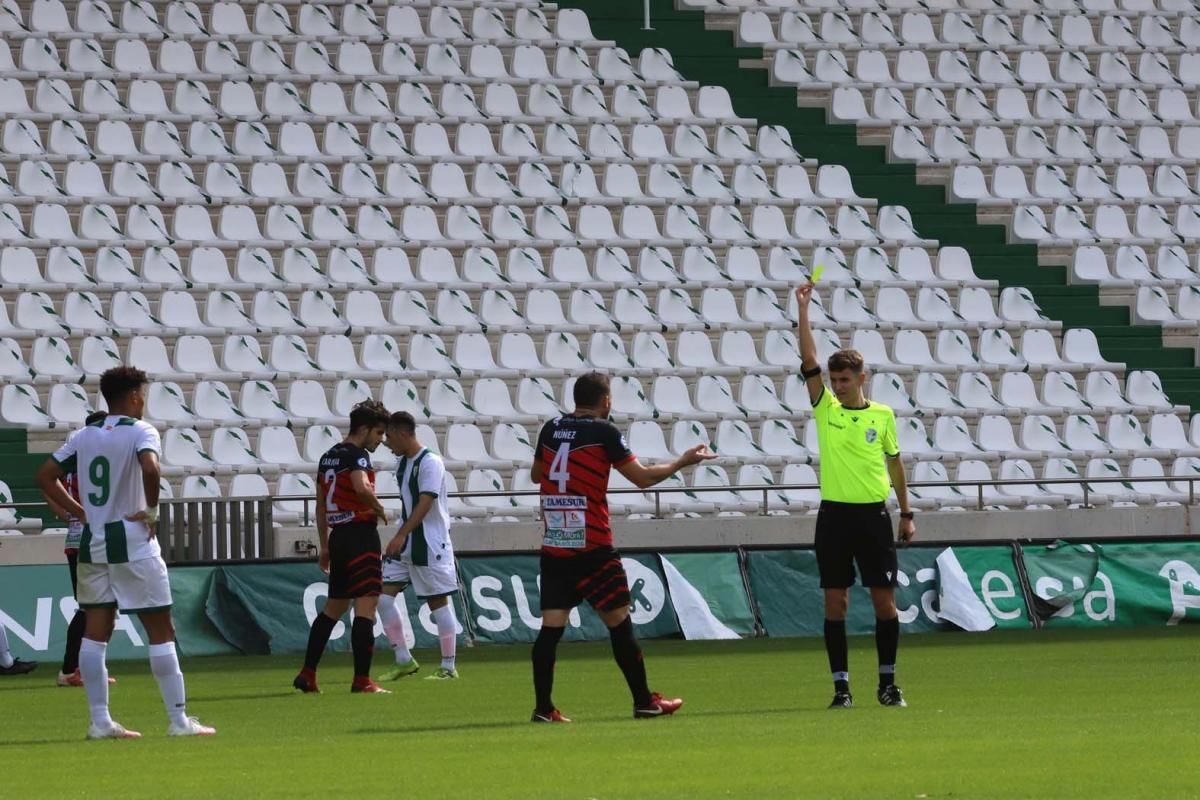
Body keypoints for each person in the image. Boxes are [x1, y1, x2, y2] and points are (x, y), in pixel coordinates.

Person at [35, 367, 215, 738]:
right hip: (132, 540)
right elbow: (151, 466)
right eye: (143, 394)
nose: (144, 400)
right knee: (161, 630)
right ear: (133, 396)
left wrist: (78, 511)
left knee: (95, 631)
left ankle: (100, 721)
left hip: (92, 540)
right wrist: (151, 510)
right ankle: (178, 719)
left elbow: (44, 476)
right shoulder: (141, 431)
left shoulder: (83, 435)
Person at [528, 372, 716, 722]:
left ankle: (543, 708)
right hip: (593, 545)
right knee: (620, 624)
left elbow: (537, 475)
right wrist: (682, 462)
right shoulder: (604, 432)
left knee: (551, 628)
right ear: (607, 400)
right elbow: (642, 478)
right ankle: (644, 702)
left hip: (556, 543)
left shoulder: (550, 428)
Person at [794, 282, 917, 710]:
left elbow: (895, 463)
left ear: (862, 378)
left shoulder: (883, 416)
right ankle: (841, 688)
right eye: (834, 380)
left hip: (873, 517)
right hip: (834, 518)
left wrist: (906, 512)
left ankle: (887, 684)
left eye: (845, 379)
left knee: (885, 603)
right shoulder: (826, 408)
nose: (838, 386)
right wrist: (804, 311)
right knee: (836, 601)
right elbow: (807, 359)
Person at [293, 400, 392, 695]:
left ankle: (307, 673)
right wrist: (380, 507)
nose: (381, 440)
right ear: (364, 429)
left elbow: (320, 506)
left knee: (333, 607)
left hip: (338, 538)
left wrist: (324, 546)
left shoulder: (328, 457)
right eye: (378, 433)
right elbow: (361, 487)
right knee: (366, 606)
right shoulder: (357, 456)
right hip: (361, 535)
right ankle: (362, 680)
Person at [376, 412, 460, 682]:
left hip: (429, 542)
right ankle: (404, 660)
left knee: (438, 604)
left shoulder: (430, 462)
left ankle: (448, 667)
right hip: (407, 541)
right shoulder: (402, 463)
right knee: (383, 598)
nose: (387, 443)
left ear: (402, 434)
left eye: (389, 436)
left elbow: (425, 504)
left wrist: (400, 535)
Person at [47, 411, 117, 688]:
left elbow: (47, 485)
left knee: (97, 606)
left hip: (79, 538)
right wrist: (74, 513)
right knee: (91, 607)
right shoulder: (98, 458)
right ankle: (70, 669)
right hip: (89, 539)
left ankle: (84, 668)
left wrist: (66, 513)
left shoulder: (73, 459)